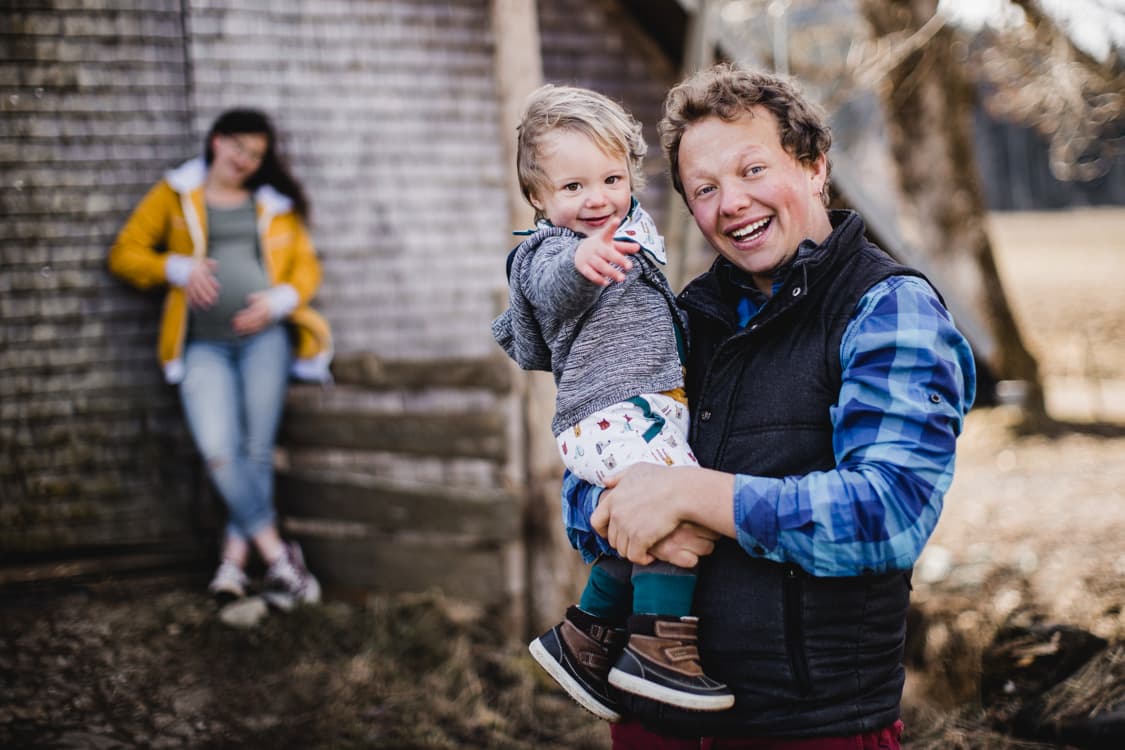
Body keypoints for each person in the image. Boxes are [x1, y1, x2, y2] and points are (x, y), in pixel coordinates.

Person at [563, 63, 977, 748]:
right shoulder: (678, 321)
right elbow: (582, 485)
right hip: (651, 714)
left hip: (806, 726)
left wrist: (690, 495)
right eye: (704, 188)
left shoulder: (886, 309)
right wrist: (622, 504)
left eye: (752, 170)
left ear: (814, 166)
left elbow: (888, 513)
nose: (730, 203)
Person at [492, 84, 734, 721]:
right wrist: (581, 260)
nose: (596, 198)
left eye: (611, 178)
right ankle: (659, 646)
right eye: (572, 188)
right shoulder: (547, 251)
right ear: (539, 200)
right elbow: (545, 287)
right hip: (606, 415)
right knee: (676, 506)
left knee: (647, 517)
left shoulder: (631, 229)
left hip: (645, 410)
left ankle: (586, 637)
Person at [108, 109, 332, 610]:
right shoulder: (174, 194)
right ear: (215, 141)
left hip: (264, 341)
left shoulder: (273, 204)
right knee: (218, 449)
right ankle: (277, 556)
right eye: (238, 147)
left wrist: (278, 301)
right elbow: (125, 253)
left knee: (254, 450)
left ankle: (232, 563)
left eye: (255, 154)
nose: (245, 160)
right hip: (201, 343)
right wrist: (176, 267)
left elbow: (306, 269)